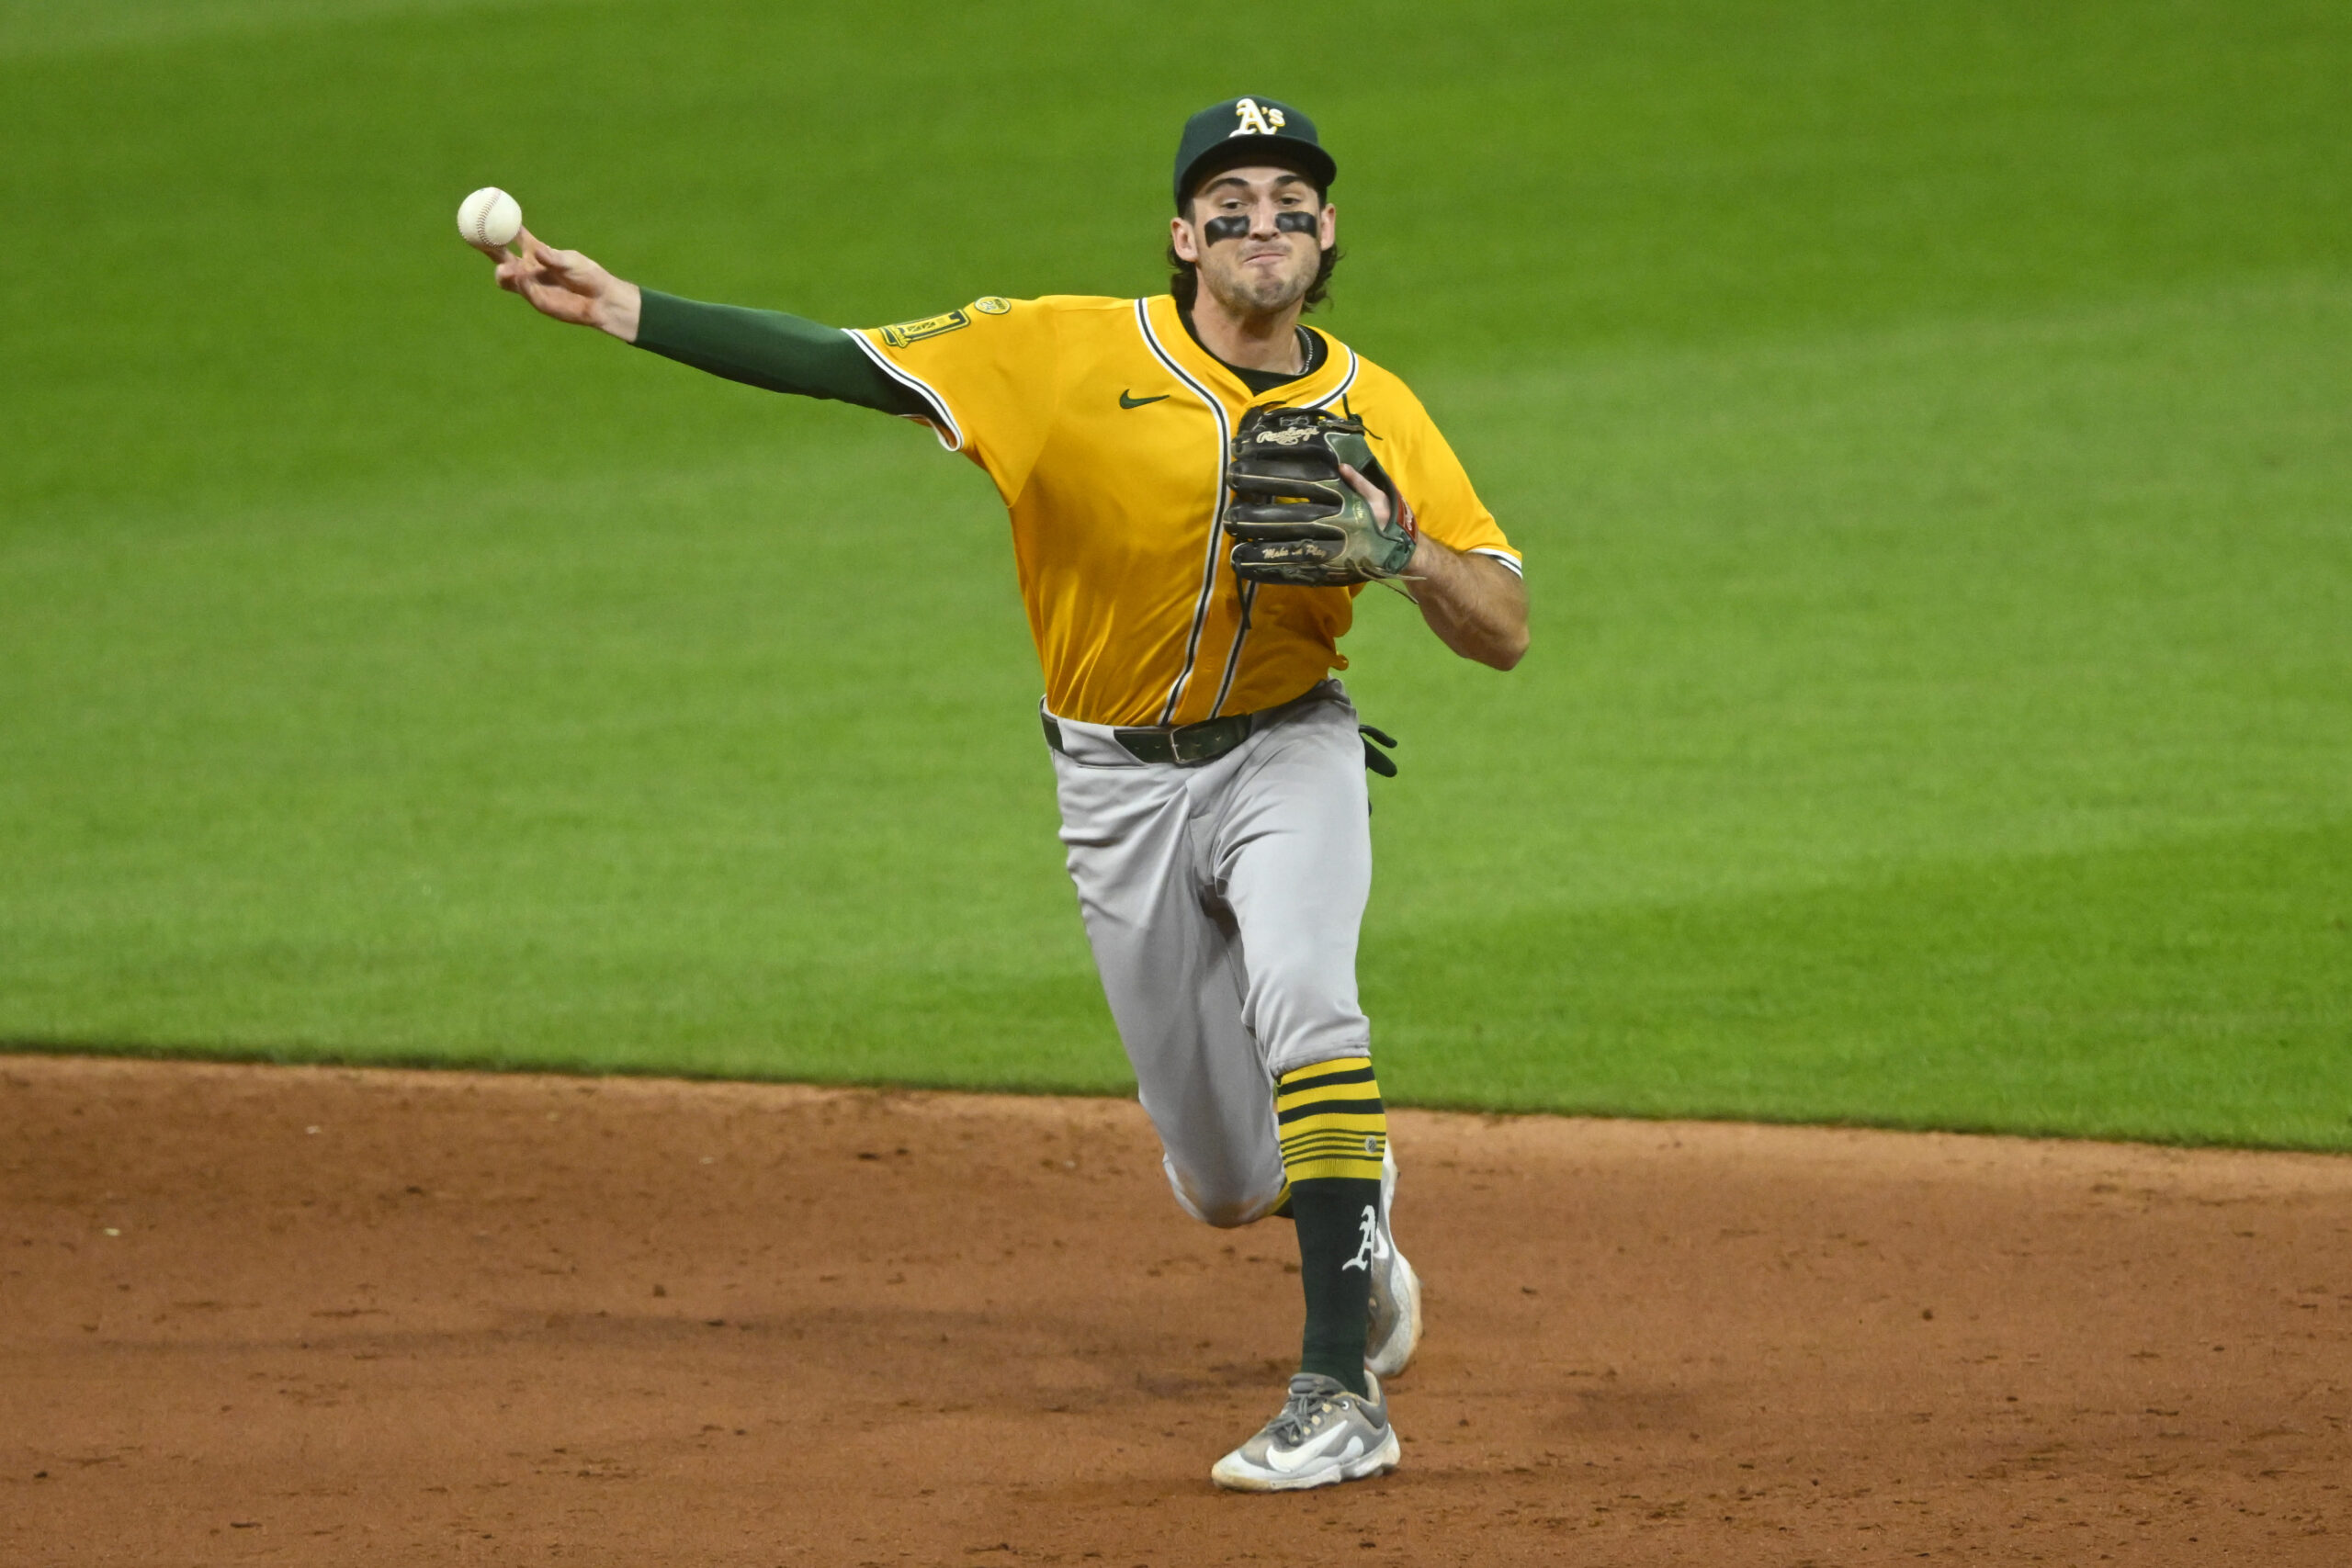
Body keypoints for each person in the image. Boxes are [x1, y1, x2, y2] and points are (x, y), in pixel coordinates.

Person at [469, 95, 1527, 1491]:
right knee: (1221, 1181)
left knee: (1311, 998)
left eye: (1290, 200)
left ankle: (1339, 1390)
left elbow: (1500, 623)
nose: (1260, 220)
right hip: (1114, 787)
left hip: (1293, 748)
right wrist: (629, 311)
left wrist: (1399, 552)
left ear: (1327, 233)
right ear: (1182, 234)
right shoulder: (1060, 352)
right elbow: (842, 363)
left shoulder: (1375, 407)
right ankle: (1358, 1222)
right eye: (1231, 200)